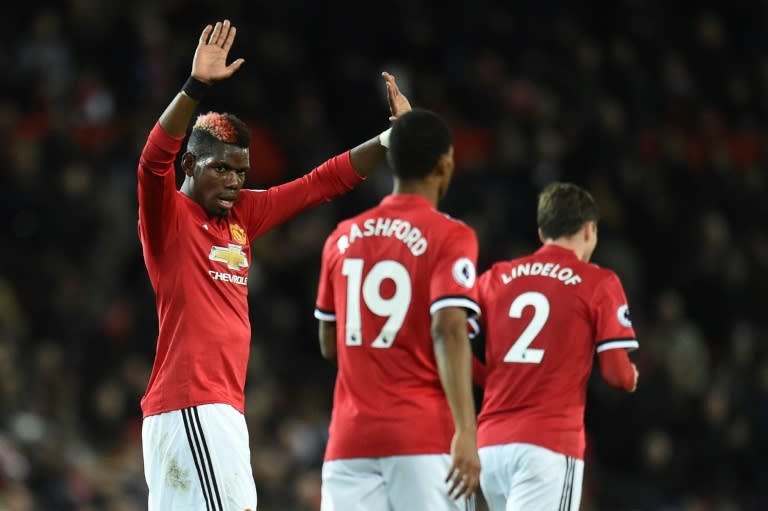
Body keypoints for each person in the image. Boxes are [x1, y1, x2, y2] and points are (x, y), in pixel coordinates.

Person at [136, 20, 410, 511]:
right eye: (221, 168)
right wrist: (195, 87)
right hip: (192, 405)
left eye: (241, 172)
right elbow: (152, 160)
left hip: (214, 408)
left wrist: (392, 143)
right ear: (190, 165)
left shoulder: (241, 215)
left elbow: (319, 183)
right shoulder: (169, 216)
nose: (234, 182)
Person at [313, 108, 482, 510]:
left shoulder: (341, 237)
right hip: (422, 438)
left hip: (348, 443)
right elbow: (449, 329)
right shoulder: (450, 235)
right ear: (444, 166)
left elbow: (328, 344)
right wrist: (467, 430)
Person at [470, 182, 640, 511]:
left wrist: (487, 381)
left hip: (489, 447)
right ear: (590, 230)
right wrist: (632, 376)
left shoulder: (496, 277)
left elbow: (447, 339)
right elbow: (616, 374)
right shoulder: (598, 282)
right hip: (547, 445)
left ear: (541, 231)